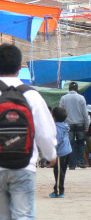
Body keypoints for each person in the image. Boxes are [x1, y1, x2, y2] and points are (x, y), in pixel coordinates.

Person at [0, 43, 57, 219]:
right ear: (19, 67)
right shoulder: (32, 95)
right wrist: (51, 155)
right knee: (23, 215)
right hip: (24, 165)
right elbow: (45, 133)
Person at [59, 82, 89, 169]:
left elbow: (61, 112)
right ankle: (81, 162)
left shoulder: (63, 98)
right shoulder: (81, 98)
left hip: (68, 124)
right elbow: (85, 113)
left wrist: (61, 124)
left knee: (70, 144)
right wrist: (87, 125)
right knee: (81, 143)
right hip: (80, 123)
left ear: (69, 89)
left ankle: (72, 164)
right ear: (77, 89)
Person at [49, 107, 72, 198]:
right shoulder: (64, 125)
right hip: (67, 151)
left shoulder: (57, 127)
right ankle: (58, 188)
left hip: (60, 153)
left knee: (58, 172)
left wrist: (52, 153)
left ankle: (58, 191)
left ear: (53, 117)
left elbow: (57, 141)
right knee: (61, 172)